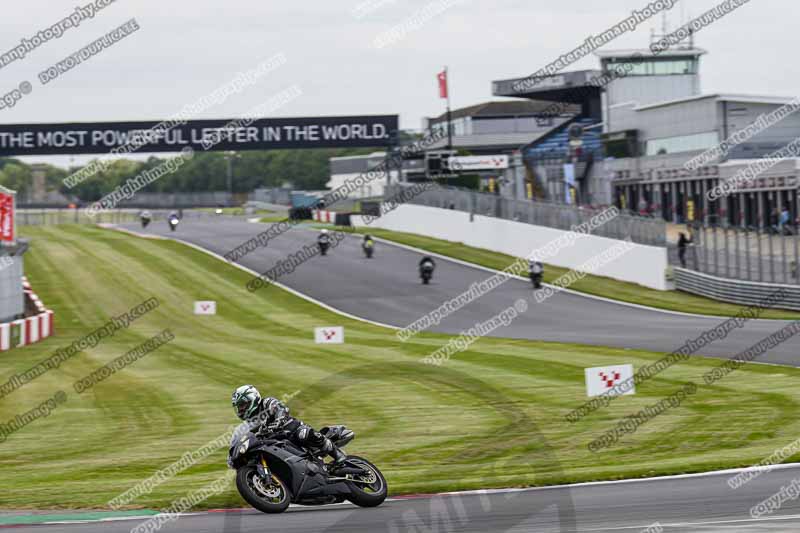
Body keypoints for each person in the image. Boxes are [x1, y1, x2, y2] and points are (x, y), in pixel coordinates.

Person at [231, 385, 347, 469]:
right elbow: (244, 438)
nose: (241, 409)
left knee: (303, 434)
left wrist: (278, 421)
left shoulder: (267, 403)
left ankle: (338, 454)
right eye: (239, 407)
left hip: (290, 430)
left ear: (253, 399)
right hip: (275, 442)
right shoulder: (248, 424)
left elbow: (281, 409)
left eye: (243, 405)